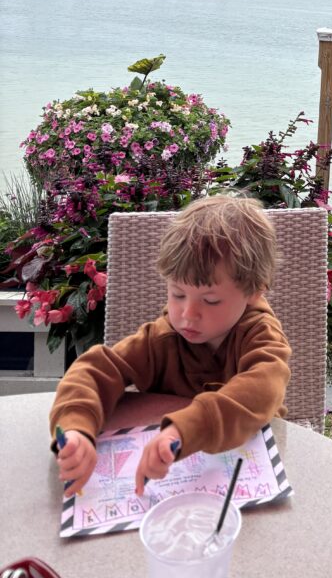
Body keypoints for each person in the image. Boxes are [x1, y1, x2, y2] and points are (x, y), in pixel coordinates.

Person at [50, 196, 291, 496]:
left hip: (252, 474)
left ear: (254, 291)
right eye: (178, 294)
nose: (188, 314)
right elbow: (94, 371)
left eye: (211, 300)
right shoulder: (162, 340)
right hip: (168, 487)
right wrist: (77, 429)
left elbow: (261, 390)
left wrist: (183, 430)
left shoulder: (261, 336)